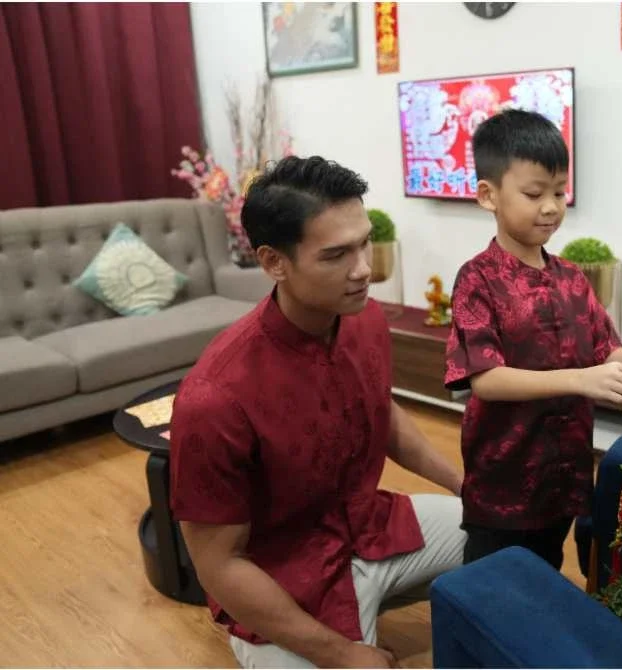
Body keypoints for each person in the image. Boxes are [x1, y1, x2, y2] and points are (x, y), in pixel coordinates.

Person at [169, 156, 466, 669]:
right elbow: (217, 566)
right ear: (273, 262)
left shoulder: (365, 317)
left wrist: (465, 487)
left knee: (496, 531)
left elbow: (383, 410)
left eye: (363, 242)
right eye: (335, 255)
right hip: (281, 575)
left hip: (368, 527)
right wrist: (342, 654)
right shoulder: (214, 397)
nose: (363, 269)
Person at [444, 109, 622, 570]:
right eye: (534, 194)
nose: (551, 207)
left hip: (566, 474)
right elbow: (485, 379)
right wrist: (581, 380)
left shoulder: (571, 277)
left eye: (558, 192)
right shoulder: (477, 280)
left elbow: (605, 351)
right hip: (505, 483)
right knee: (498, 592)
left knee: (547, 575)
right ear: (488, 196)